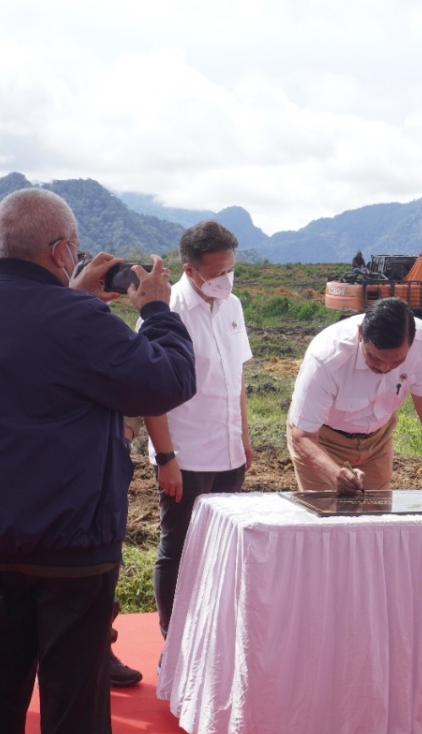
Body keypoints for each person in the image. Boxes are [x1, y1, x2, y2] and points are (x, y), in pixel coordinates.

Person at [0, 187, 197, 734]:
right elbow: (168, 380)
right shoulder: (79, 322)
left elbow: (28, 336)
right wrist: (155, 309)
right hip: (69, 540)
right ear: (61, 251)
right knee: (73, 698)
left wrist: (73, 293)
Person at [143, 220, 253, 638]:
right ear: (190, 270)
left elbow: (235, 377)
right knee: (178, 549)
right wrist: (166, 458)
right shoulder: (165, 312)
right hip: (185, 454)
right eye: (217, 272)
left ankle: (211, 637)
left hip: (228, 452)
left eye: (230, 270)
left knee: (221, 548)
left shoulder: (233, 306)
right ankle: (174, 643)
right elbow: (150, 391)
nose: (226, 280)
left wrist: (242, 436)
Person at [287, 297, 422, 493]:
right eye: (374, 357)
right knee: (328, 514)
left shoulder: (421, 339)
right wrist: (334, 473)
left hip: (377, 441)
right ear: (360, 334)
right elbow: (303, 436)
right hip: (323, 440)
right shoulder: (326, 357)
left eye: (397, 362)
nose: (384, 368)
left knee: (376, 514)